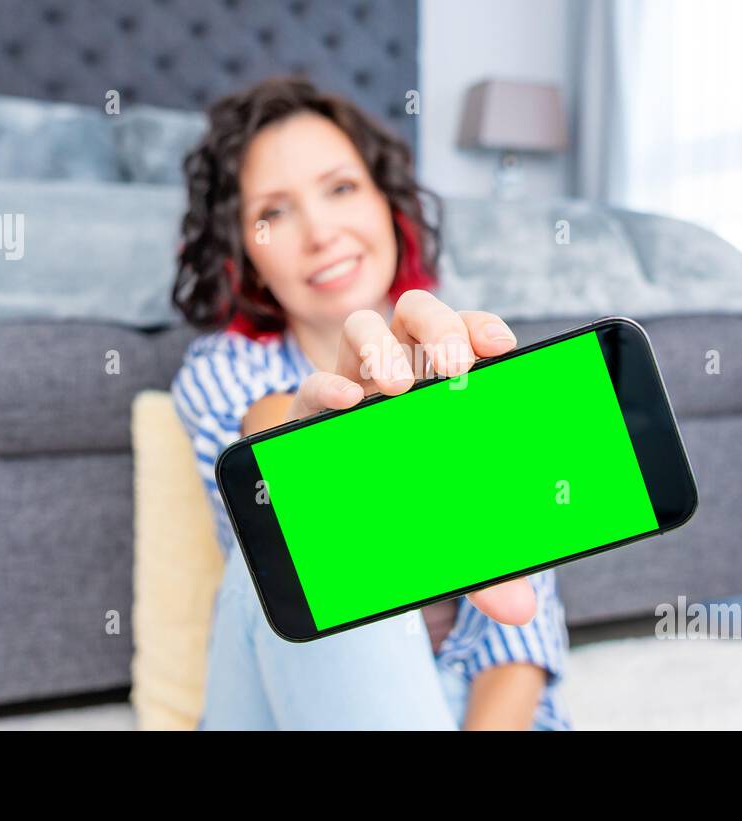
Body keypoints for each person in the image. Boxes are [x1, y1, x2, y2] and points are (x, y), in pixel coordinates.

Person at [170, 77, 570, 730]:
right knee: (293, 543)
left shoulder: (459, 346)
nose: (322, 232)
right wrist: (327, 440)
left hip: (459, 701)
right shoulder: (222, 370)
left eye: (341, 188)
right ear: (244, 252)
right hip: (290, 690)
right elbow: (270, 433)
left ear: (389, 203)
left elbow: (522, 634)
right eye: (274, 212)